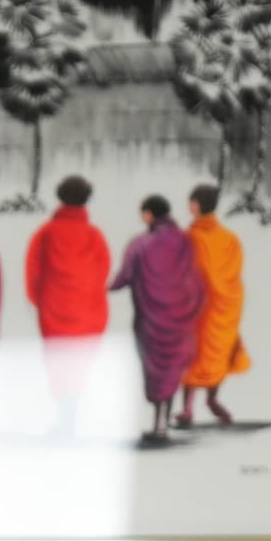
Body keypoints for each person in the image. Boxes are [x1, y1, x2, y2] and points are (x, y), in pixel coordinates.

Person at [108, 193, 207, 442]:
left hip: (150, 320)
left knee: (155, 370)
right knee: (172, 367)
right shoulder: (185, 241)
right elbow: (195, 275)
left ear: (149, 214)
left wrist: (102, 288)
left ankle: (159, 423)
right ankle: (163, 420)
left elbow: (124, 278)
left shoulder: (139, 244)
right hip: (179, 316)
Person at [24, 174, 111, 435]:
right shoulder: (94, 235)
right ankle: (71, 417)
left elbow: (32, 272)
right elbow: (103, 270)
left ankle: (65, 417)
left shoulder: (45, 233)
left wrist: (41, 302)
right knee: (80, 363)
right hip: (87, 310)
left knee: (59, 362)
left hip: (54, 309)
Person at [179, 183, 251, 427]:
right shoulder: (230, 239)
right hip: (224, 307)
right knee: (218, 351)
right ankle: (212, 399)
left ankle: (187, 409)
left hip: (199, 308)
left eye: (191, 202)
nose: (189, 206)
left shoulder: (190, 238)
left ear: (196, 206)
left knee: (192, 354)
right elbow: (234, 275)